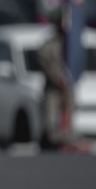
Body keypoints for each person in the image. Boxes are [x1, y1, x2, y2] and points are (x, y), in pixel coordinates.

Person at [37, 19, 74, 150]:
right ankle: (51, 139)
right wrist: (57, 78)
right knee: (50, 113)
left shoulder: (72, 44)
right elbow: (44, 59)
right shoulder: (50, 45)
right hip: (53, 85)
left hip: (68, 84)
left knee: (69, 108)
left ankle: (66, 137)